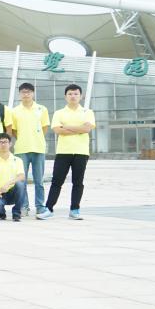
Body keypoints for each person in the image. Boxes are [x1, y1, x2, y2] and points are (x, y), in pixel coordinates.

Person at [43, 83, 95, 220]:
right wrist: (78, 128)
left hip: (81, 152)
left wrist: (66, 127)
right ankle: (49, 208)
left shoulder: (87, 112)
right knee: (57, 181)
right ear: (65, 96)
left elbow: (87, 129)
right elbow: (57, 130)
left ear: (81, 96)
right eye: (70, 94)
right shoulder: (59, 113)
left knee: (78, 182)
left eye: (76, 94)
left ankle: (74, 210)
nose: (73, 96)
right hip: (63, 151)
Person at [11, 82, 50, 216]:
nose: (26, 94)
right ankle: (24, 206)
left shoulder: (42, 109)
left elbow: (45, 127)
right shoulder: (15, 111)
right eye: (23, 92)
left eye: (28, 92)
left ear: (33, 93)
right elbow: (14, 130)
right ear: (19, 94)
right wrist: (24, 138)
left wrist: (36, 137)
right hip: (21, 149)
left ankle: (40, 206)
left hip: (38, 148)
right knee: (22, 181)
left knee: (39, 181)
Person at [0, 133, 27, 222]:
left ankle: (16, 213)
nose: (3, 144)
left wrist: (8, 183)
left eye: (5, 142)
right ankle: (1, 213)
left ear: (10, 144)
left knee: (20, 184)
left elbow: (22, 176)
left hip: (12, 193)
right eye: (0, 142)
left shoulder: (17, 160)